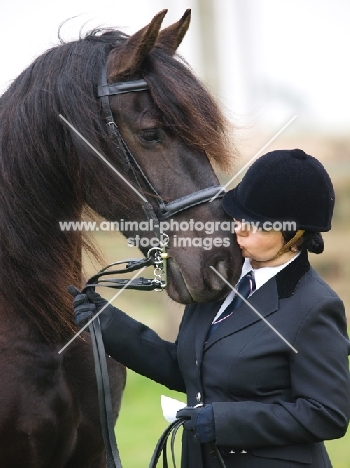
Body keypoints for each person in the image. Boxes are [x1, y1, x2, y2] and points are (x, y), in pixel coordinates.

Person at [71, 149, 350, 468]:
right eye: (238, 217)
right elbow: (187, 369)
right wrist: (105, 321)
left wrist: (223, 422)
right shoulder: (219, 281)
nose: (240, 230)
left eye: (257, 225)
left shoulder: (315, 306)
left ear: (295, 235)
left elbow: (327, 414)